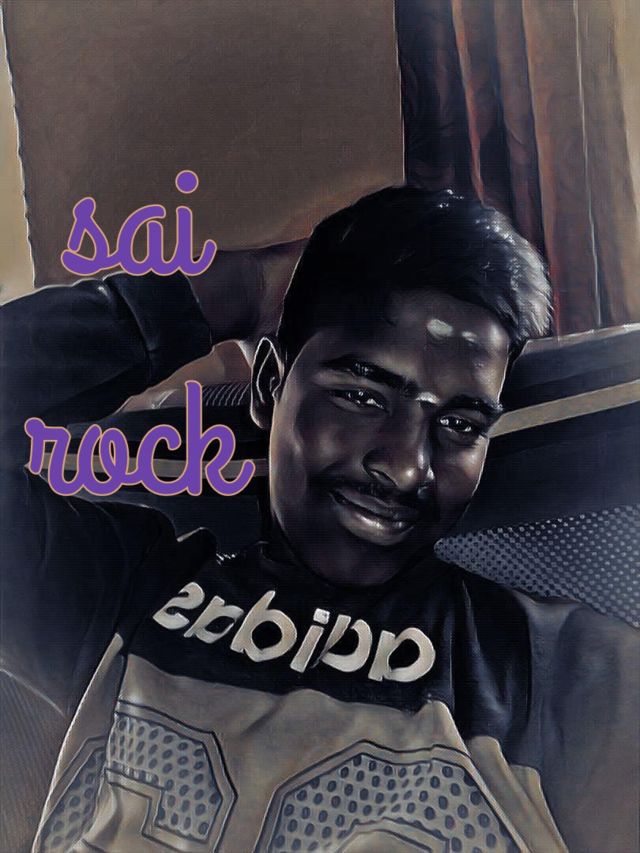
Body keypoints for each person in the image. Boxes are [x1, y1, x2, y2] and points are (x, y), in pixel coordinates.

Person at [1, 188, 637, 853]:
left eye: (459, 424)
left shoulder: (568, 672)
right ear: (270, 386)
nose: (407, 467)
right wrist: (235, 291)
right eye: (362, 395)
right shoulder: (126, 593)